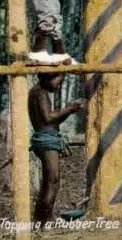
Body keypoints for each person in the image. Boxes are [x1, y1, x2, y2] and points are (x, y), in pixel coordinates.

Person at [28, 73, 84, 224]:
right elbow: (48, 117)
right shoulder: (39, 93)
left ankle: (41, 218)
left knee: (48, 182)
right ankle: (44, 220)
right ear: (48, 77)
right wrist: (69, 109)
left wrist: (69, 111)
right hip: (46, 141)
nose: (59, 85)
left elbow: (51, 120)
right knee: (53, 181)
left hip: (45, 138)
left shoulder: (37, 91)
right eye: (58, 82)